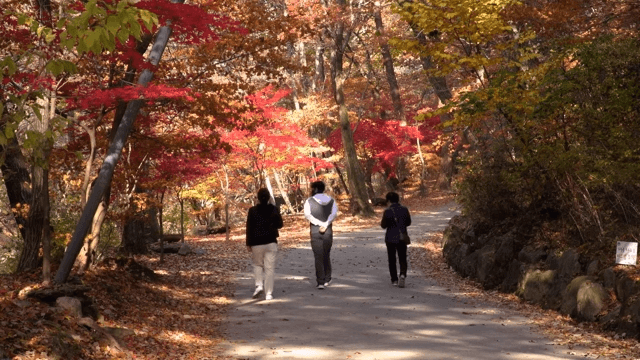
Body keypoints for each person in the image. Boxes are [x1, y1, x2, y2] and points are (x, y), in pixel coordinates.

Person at [246, 188, 283, 300]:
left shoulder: (252, 210)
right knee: (269, 268)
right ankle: (269, 294)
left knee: (257, 265)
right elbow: (280, 225)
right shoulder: (274, 209)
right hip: (271, 242)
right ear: (269, 198)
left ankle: (259, 285)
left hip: (256, 243)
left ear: (257, 198)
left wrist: (248, 243)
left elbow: (249, 228)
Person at [303, 180, 338, 289]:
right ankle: (327, 278)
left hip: (315, 230)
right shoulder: (331, 200)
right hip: (328, 230)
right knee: (326, 254)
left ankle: (320, 282)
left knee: (318, 256)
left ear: (314, 189)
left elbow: (307, 215)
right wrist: (326, 224)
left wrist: (319, 223)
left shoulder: (309, 201)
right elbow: (334, 214)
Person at [380, 191, 412, 288]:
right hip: (402, 237)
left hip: (390, 238)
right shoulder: (404, 209)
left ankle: (394, 279)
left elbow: (383, 225)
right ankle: (402, 274)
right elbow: (408, 222)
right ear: (398, 199)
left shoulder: (387, 211)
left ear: (388, 200)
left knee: (392, 259)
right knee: (402, 258)